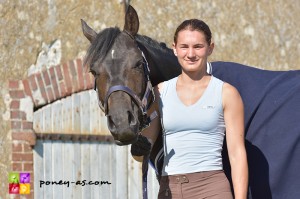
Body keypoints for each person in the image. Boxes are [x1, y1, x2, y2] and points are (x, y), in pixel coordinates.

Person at [132, 19, 248, 199]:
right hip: (170, 189)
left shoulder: (226, 93)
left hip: (212, 188)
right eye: (184, 46)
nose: (191, 54)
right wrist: (138, 146)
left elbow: (237, 154)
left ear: (210, 48)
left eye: (198, 46)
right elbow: (143, 151)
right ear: (175, 48)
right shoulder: (160, 92)